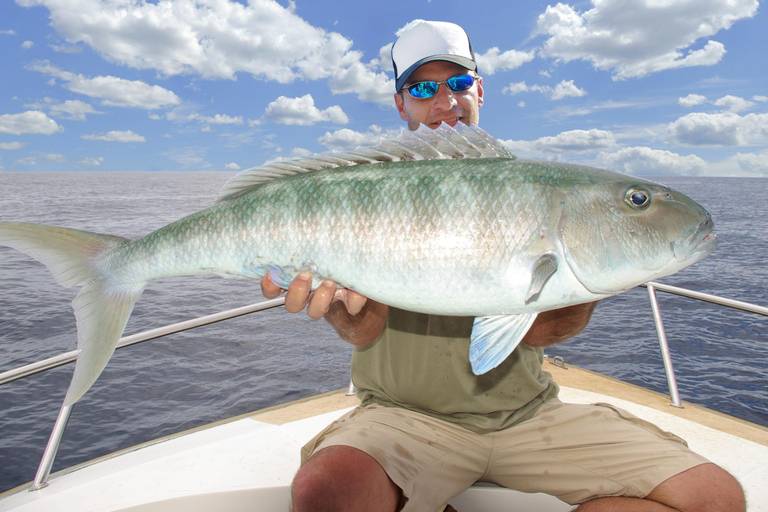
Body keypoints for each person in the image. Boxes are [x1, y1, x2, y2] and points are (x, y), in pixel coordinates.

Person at [261, 20, 745, 512]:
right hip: (400, 417)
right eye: (423, 87)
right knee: (325, 491)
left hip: (527, 415)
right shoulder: (372, 198)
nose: (444, 101)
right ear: (401, 103)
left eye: (459, 83)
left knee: (714, 499)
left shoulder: (532, 186)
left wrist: (589, 273)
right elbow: (364, 335)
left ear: (480, 90)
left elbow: (542, 332)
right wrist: (342, 303)